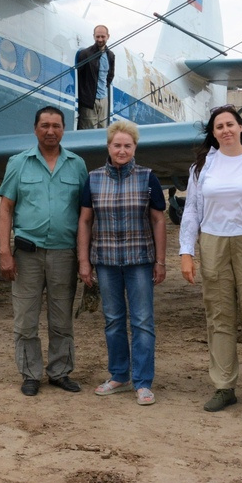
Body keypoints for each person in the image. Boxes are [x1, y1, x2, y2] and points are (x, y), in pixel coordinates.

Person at [179, 105, 242, 417]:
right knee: (219, 315)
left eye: (230, 124)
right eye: (219, 127)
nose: (225, 130)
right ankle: (224, 386)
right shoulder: (202, 167)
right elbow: (192, 212)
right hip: (213, 243)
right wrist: (187, 252)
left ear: (240, 127)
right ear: (213, 133)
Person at [0, 106, 89, 397]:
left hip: (64, 254)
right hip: (28, 255)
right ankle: (31, 374)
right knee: (26, 319)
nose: (51, 131)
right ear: (35, 129)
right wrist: (4, 252)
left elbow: (86, 214)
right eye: (45, 125)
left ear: (64, 130)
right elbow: (6, 209)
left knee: (62, 319)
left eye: (57, 126)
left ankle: (60, 372)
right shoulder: (18, 163)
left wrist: (86, 257)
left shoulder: (77, 165)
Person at [77, 120, 167, 406]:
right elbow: (85, 220)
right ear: (108, 146)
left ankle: (143, 382)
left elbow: (158, 220)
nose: (122, 150)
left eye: (127, 145)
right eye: (117, 145)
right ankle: (119, 375)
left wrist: (161, 261)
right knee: (113, 321)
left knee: (142, 321)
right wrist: (84, 261)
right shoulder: (93, 179)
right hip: (105, 261)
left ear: (135, 148)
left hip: (139, 260)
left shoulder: (147, 178)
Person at [75, 25, 115, 130]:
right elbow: (79, 75)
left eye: (103, 36)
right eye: (97, 37)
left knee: (103, 130)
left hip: (103, 99)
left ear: (108, 37)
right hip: (89, 99)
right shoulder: (85, 54)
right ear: (94, 37)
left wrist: (104, 87)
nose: (100, 39)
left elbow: (110, 75)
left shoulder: (110, 55)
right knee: (89, 129)